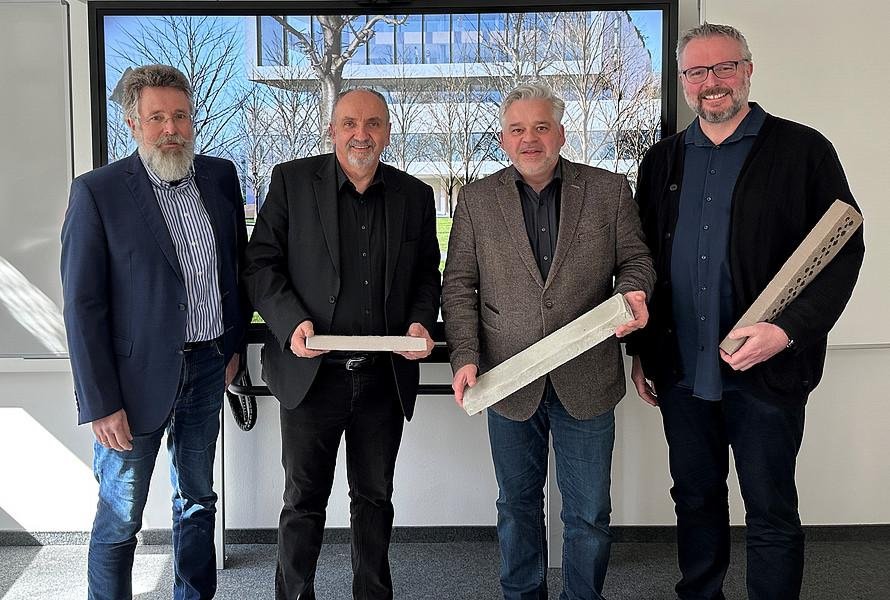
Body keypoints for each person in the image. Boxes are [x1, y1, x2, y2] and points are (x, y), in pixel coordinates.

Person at [628, 23, 865, 600]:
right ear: (683, 82)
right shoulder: (661, 162)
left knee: (769, 506)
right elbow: (644, 261)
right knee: (695, 498)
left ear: (748, 71)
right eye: (696, 72)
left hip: (766, 371)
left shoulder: (804, 150)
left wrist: (785, 333)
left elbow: (843, 250)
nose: (711, 83)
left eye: (723, 68)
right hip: (681, 371)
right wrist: (642, 354)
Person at [442, 83, 654, 600]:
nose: (529, 139)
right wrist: (465, 357)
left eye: (541, 127)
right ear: (502, 139)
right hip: (506, 382)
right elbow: (459, 285)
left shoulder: (608, 190)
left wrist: (633, 293)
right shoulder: (476, 199)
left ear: (560, 133)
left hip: (588, 377)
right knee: (516, 507)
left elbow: (637, 261)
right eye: (517, 129)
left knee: (587, 513)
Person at [242, 88, 441, 600]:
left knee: (374, 500)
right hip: (312, 377)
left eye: (373, 123)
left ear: (388, 133)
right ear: (331, 130)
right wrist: (290, 324)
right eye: (350, 123)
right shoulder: (290, 182)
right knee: (303, 502)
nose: (362, 133)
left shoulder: (415, 195)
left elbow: (426, 277)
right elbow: (260, 264)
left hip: (382, 379)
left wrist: (421, 322)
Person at [61, 64, 250, 599]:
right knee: (121, 516)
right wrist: (99, 402)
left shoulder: (220, 177)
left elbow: (236, 269)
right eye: (157, 117)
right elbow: (82, 306)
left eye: (181, 115)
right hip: (130, 381)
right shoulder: (97, 192)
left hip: (208, 366)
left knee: (196, 500)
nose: (172, 128)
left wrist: (232, 347)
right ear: (133, 123)